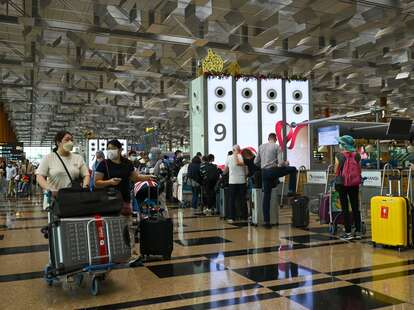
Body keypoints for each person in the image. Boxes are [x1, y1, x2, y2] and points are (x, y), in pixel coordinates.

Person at [94, 139, 154, 267]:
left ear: (120, 150)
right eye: (108, 148)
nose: (110, 150)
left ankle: (130, 253)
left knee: (128, 227)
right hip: (108, 201)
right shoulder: (103, 164)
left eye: (113, 148)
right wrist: (109, 182)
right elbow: (96, 183)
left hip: (125, 200)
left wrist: (148, 177)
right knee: (109, 227)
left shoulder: (127, 163)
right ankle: (110, 253)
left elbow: (135, 177)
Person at [255, 133, 298, 228]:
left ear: (268, 138)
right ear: (276, 139)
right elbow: (281, 163)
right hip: (273, 171)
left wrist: (263, 166)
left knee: (266, 197)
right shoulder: (277, 146)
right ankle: (291, 190)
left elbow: (255, 162)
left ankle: (266, 222)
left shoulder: (261, 147)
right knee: (293, 169)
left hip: (264, 173)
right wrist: (286, 163)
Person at [37, 131, 90, 197]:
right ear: (58, 142)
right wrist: (49, 189)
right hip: (55, 197)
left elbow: (86, 175)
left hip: (74, 197)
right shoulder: (49, 157)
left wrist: (85, 187)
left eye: (71, 140)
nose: (70, 142)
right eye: (67, 140)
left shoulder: (78, 158)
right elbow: (39, 176)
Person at [335, 135, 362, 240]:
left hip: (341, 184)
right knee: (355, 206)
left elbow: (336, 170)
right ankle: (358, 231)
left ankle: (348, 232)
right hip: (354, 183)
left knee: (345, 207)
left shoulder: (339, 156)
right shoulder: (357, 155)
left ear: (344, 145)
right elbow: (359, 169)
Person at [224, 145, 247, 223]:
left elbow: (225, 170)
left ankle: (231, 217)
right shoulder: (241, 157)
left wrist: (224, 174)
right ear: (239, 150)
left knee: (232, 199)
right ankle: (244, 216)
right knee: (242, 199)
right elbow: (244, 168)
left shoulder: (229, 158)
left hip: (232, 181)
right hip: (241, 181)